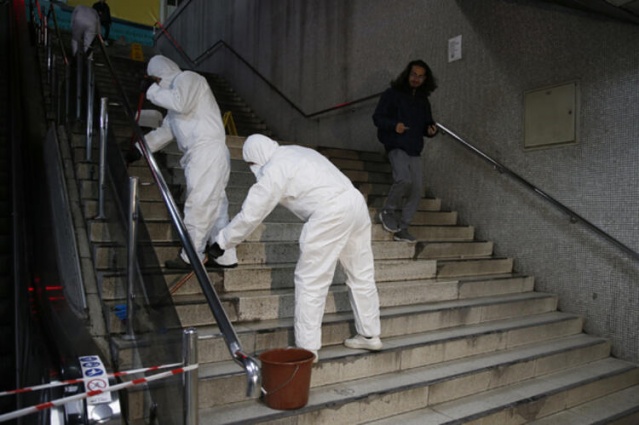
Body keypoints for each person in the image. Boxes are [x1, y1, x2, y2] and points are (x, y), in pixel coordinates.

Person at [209, 134, 383, 362]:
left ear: (256, 157)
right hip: (355, 203)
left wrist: (222, 242)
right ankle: (370, 334)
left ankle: (307, 348)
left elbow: (250, 215)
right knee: (361, 274)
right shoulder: (296, 151)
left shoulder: (274, 169)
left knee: (311, 280)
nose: (252, 169)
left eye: (251, 164)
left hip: (331, 212)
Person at [141, 55, 238, 269]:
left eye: (155, 79)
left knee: (200, 203)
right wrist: (139, 148)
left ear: (161, 74)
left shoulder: (188, 79)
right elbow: (165, 133)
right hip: (206, 154)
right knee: (216, 205)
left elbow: (180, 103)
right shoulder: (175, 105)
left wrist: (152, 91)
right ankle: (226, 255)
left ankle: (190, 255)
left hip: (206, 152)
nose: (156, 85)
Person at [373, 59, 438, 243]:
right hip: (396, 144)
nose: (416, 79)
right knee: (403, 178)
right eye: (413, 75)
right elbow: (377, 117)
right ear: (407, 75)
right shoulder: (392, 94)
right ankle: (388, 210)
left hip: (414, 148)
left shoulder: (423, 101)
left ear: (425, 79)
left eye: (420, 76)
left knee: (417, 189)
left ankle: (403, 227)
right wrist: (395, 125)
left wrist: (431, 131)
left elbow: (427, 124)